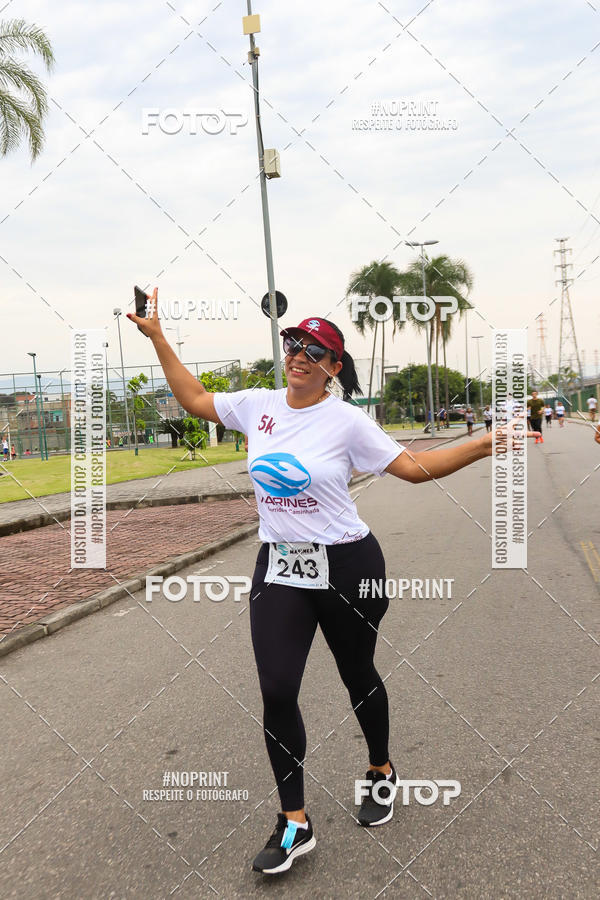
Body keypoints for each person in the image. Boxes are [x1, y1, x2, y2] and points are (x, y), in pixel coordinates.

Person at [127, 289, 541, 876]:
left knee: (357, 674)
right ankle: (294, 822)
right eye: (294, 343)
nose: (298, 354)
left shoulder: (348, 422)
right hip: (281, 566)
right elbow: (194, 398)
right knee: (276, 687)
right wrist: (159, 338)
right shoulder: (256, 405)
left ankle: (380, 770)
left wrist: (484, 443)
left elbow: (416, 470)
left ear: (333, 367)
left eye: (314, 349)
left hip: (348, 565)